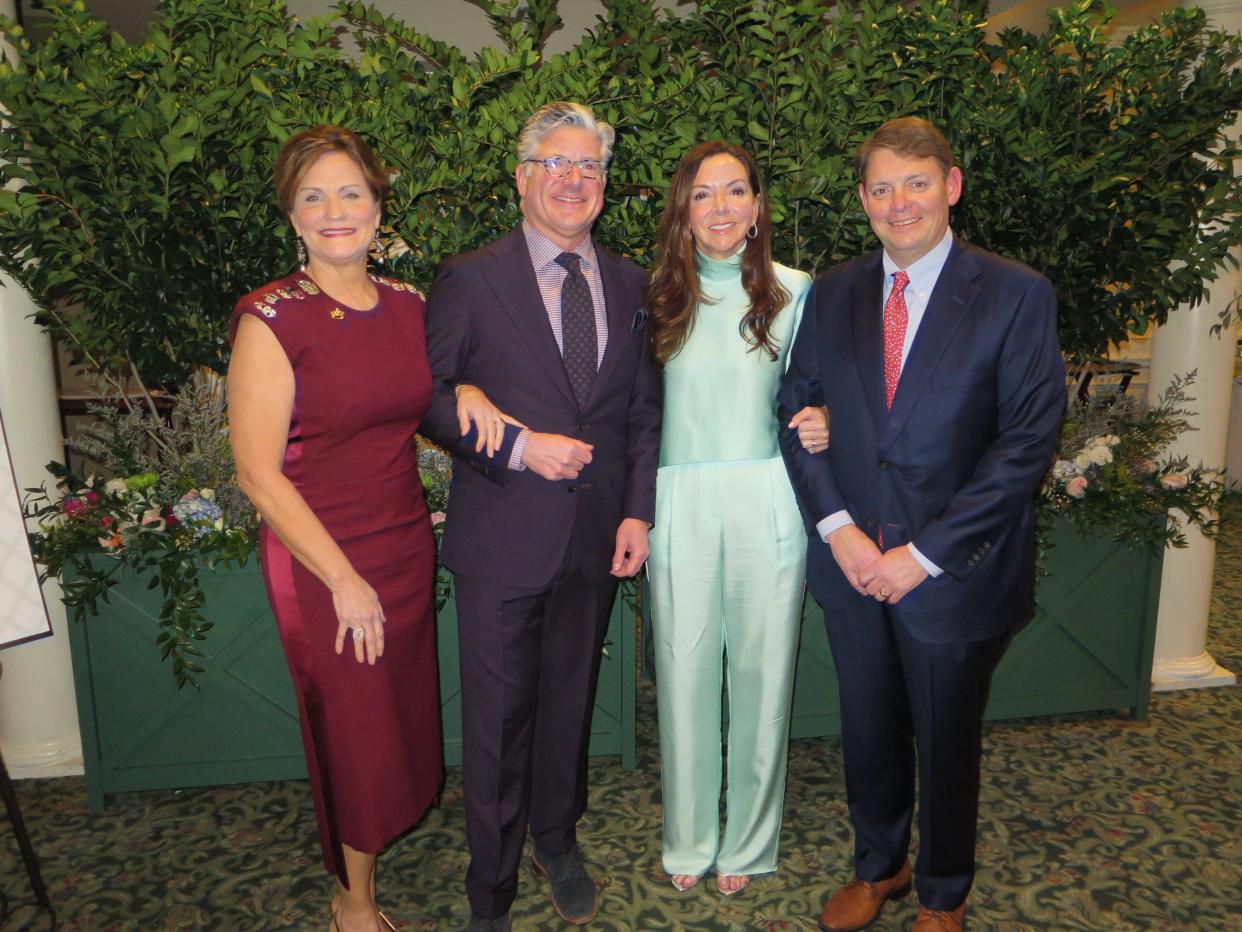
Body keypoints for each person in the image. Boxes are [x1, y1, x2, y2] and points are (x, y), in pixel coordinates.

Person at [778, 117, 1064, 932]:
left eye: (916, 182)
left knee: (945, 744)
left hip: (955, 572)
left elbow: (1025, 445)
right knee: (867, 731)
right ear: (862, 197)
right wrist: (838, 528)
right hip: (852, 562)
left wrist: (924, 556)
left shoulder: (1015, 294)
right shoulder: (830, 294)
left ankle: (944, 891)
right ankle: (880, 867)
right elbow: (795, 407)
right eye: (880, 186)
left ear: (952, 185)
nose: (898, 203)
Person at [418, 102, 662, 931]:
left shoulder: (632, 284)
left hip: (594, 540)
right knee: (496, 724)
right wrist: (519, 448)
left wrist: (637, 514)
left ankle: (557, 837)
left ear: (604, 183)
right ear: (521, 178)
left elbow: (639, 415)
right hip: (501, 542)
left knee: (569, 704)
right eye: (555, 164)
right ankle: (489, 887)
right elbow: (428, 395)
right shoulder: (470, 277)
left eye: (588, 166)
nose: (572, 180)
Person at [228, 125, 449, 932]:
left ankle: (378, 840)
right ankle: (351, 900)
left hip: (400, 537)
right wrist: (344, 579)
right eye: (313, 196)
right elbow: (258, 474)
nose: (334, 210)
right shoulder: (270, 319)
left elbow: (427, 404)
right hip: (319, 555)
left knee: (396, 710)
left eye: (351, 192)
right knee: (354, 727)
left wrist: (483, 407)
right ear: (291, 216)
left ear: (378, 206)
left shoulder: (407, 305)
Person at [643, 140, 828, 896]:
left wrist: (827, 418)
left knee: (762, 674)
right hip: (676, 498)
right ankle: (688, 836)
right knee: (682, 673)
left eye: (736, 191)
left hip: (767, 497)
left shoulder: (797, 289)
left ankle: (749, 842)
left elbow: (820, 389)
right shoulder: (652, 294)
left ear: (757, 208)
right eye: (703, 194)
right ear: (683, 211)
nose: (720, 207)